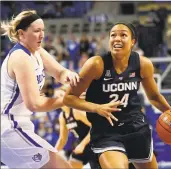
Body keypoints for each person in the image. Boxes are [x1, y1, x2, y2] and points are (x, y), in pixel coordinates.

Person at [1, 10, 120, 169]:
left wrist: (70, 76)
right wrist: (68, 100)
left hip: (19, 126)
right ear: (21, 34)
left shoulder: (37, 52)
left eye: (43, 30)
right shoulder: (20, 57)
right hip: (8, 128)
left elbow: (59, 72)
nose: (42, 35)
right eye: (37, 31)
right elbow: (34, 104)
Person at [63, 22, 171, 169]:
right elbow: (68, 98)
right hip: (106, 131)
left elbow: (154, 97)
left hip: (135, 127)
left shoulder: (143, 64)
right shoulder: (96, 64)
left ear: (133, 41)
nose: (117, 38)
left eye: (123, 35)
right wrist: (97, 108)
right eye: (113, 35)